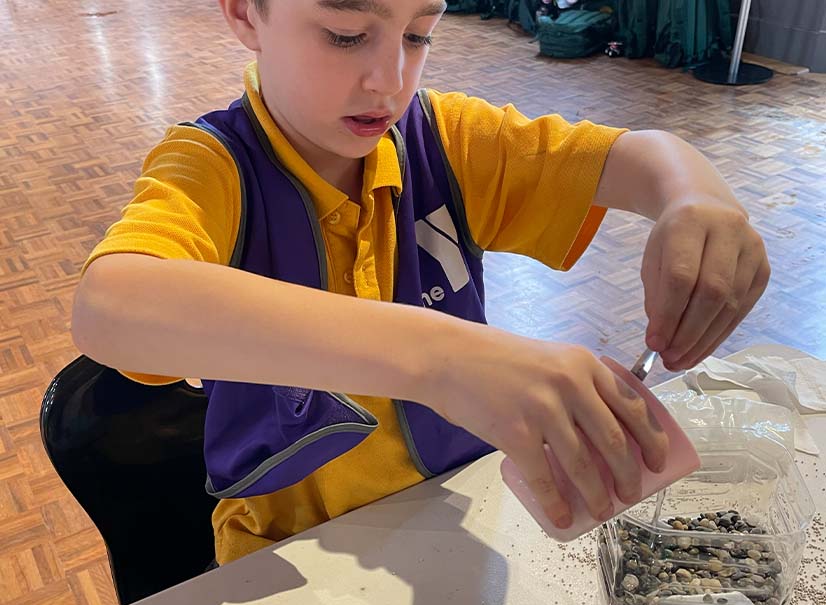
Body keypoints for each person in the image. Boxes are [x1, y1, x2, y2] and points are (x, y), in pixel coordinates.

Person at [71, 0, 770, 566]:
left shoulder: (444, 139)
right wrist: (439, 358)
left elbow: (637, 155)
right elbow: (112, 306)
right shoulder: (214, 167)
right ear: (244, 14)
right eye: (346, 35)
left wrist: (695, 197)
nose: (390, 80)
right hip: (289, 551)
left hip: (459, 507)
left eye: (418, 34)